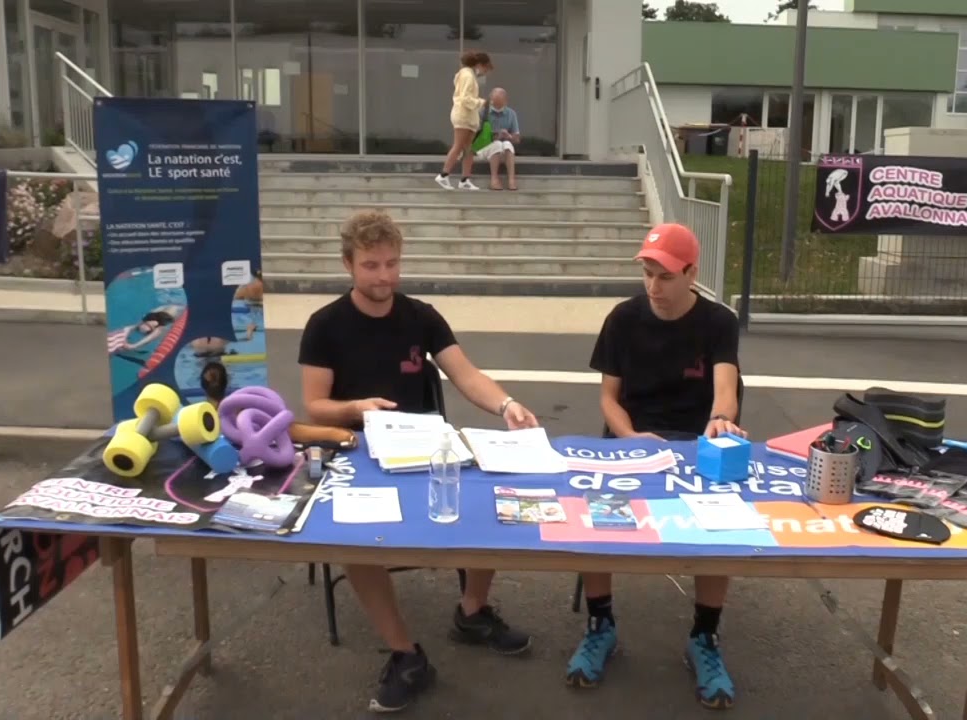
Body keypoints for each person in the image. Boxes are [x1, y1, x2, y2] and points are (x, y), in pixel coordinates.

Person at [298, 208, 539, 713]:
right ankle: (406, 654)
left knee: (492, 503)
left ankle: (472, 612)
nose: (384, 276)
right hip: (358, 446)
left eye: (391, 264)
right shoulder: (325, 326)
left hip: (426, 446)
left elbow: (466, 374)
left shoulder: (421, 316)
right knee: (355, 538)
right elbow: (315, 406)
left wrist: (506, 404)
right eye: (371, 266)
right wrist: (355, 407)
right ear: (349, 265)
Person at [567, 222, 746, 710]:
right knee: (594, 519)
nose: (653, 287)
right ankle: (600, 624)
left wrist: (720, 422)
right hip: (630, 441)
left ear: (691, 272)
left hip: (694, 442)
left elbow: (725, 389)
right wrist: (629, 438)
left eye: (664, 276)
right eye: (647, 274)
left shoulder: (718, 322)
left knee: (721, 526)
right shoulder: (624, 318)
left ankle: (704, 637)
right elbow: (608, 397)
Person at [436, 50, 492, 191]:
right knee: (459, 146)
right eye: (485, 67)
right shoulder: (467, 76)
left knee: (468, 149)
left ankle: (465, 179)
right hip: (463, 116)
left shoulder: (467, 75)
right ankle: (443, 175)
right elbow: (465, 98)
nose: (485, 71)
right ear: (479, 64)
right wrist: (481, 102)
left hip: (468, 117)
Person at [474, 87, 521, 191]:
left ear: (505, 102)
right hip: (485, 147)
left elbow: (517, 139)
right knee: (497, 145)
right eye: (494, 105)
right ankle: (494, 179)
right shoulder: (482, 113)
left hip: (503, 149)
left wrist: (508, 136)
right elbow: (476, 136)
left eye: (500, 105)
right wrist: (495, 136)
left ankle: (511, 179)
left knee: (507, 145)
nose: (497, 108)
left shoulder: (511, 114)